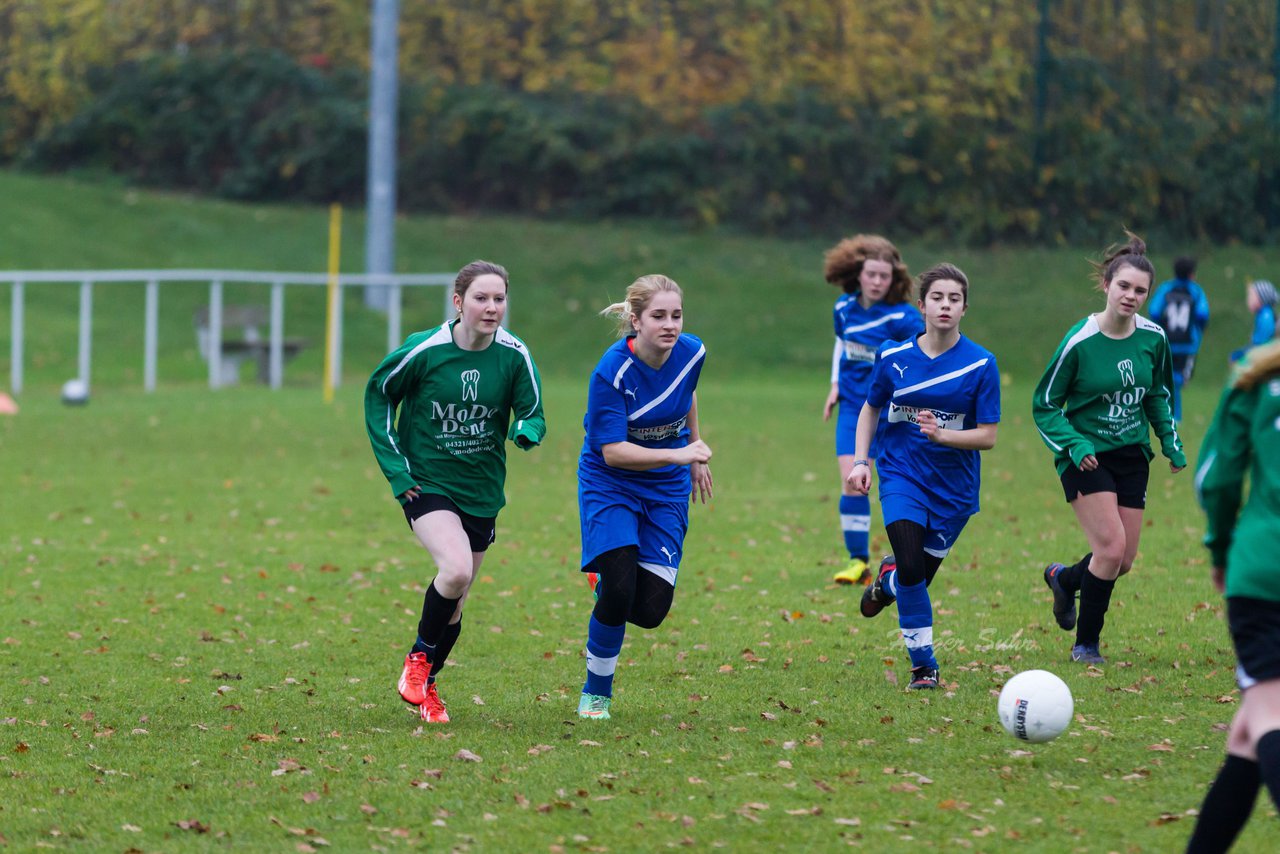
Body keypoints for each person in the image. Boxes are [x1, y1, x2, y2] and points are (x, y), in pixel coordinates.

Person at [364, 260, 545, 723]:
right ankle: (418, 660)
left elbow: (533, 408)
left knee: (456, 603)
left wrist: (526, 429)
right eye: (481, 298)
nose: (491, 308)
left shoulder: (513, 354)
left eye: (499, 299)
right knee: (457, 570)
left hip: (482, 489)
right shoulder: (425, 350)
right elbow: (379, 394)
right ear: (459, 301)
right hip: (427, 482)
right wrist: (397, 472)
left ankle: (428, 688)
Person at [1034, 234, 1186, 666]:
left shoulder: (1154, 339)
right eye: (1124, 286)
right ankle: (1086, 645)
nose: (1131, 296)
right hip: (1085, 455)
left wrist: (1169, 441)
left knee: (1123, 561)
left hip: (1132, 454)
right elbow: (1044, 405)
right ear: (1106, 284)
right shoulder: (1080, 341)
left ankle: (1063, 579)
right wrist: (1075, 443)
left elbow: (1157, 393)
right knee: (1109, 549)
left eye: (1140, 290)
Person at [848, 262, 1000, 690]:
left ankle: (885, 582)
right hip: (901, 475)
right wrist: (862, 461)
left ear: (965, 308)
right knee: (913, 565)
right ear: (922, 305)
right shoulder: (894, 357)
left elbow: (987, 436)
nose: (945, 305)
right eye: (937, 297)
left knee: (914, 578)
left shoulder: (981, 364)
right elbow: (870, 408)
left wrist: (944, 435)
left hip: (954, 491)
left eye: (954, 299)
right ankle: (924, 666)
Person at [576, 274, 713, 720]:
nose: (670, 325)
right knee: (618, 592)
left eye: (676, 315)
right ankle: (597, 693)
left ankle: (611, 582)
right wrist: (680, 453)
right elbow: (613, 453)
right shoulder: (610, 371)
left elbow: (686, 392)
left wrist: (696, 453)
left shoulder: (693, 351)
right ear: (636, 321)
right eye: (658, 316)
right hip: (610, 483)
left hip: (666, 487)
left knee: (651, 610)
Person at [1184, 340, 1280, 854]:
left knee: (1268, 718)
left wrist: (1221, 549)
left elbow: (1216, 480)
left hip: (1265, 569)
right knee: (1245, 740)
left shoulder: (1256, 379)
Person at [821, 235, 923, 586]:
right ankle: (857, 561)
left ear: (894, 279)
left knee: (900, 487)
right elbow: (842, 346)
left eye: (885, 276)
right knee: (852, 481)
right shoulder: (843, 309)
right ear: (859, 275)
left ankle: (910, 557)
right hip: (853, 407)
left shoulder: (904, 318)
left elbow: (922, 359)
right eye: (872, 274)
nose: (878, 282)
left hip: (893, 414)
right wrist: (835, 384)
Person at [1148, 255, 1209, 421]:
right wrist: (1198, 329)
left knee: (1165, 378)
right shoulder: (1196, 291)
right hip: (1187, 344)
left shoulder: (1166, 289)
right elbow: (1203, 314)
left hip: (1167, 341)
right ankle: (1175, 416)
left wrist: (1161, 326)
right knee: (1177, 380)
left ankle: (1166, 413)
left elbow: (1154, 310)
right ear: (1192, 274)